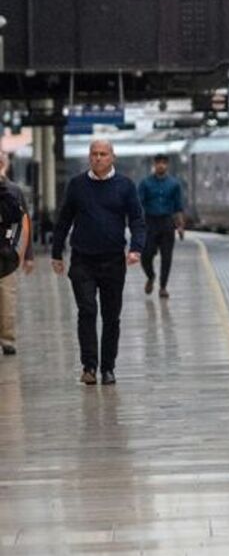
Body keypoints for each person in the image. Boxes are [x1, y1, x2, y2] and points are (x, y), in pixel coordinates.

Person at [50, 139, 146, 386]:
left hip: (113, 260)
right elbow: (64, 220)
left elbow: (136, 219)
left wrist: (136, 248)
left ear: (112, 157)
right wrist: (56, 253)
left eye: (103, 154)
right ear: (88, 157)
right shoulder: (77, 185)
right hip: (83, 260)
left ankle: (108, 368)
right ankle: (89, 366)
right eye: (94, 154)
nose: (98, 158)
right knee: (87, 310)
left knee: (111, 316)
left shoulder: (125, 186)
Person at [138, 153, 188, 300]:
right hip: (150, 223)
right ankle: (151, 276)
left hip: (167, 223)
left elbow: (178, 206)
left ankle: (163, 287)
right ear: (154, 165)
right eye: (158, 162)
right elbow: (138, 204)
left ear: (167, 165)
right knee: (146, 255)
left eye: (164, 163)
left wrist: (180, 226)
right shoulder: (145, 183)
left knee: (167, 257)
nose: (161, 165)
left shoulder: (174, 184)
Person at [0, 150, 31, 357]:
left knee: (7, 298)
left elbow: (24, 222)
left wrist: (26, 255)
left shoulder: (13, 190)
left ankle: (7, 339)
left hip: (5, 253)